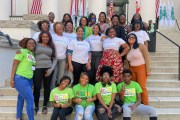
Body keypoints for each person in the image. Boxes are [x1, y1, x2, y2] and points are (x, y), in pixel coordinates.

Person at [10, 38, 36, 120]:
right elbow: (14, 65)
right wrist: (12, 79)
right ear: (26, 44)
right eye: (30, 43)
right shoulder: (22, 51)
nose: (32, 45)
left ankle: (18, 117)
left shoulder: (32, 54)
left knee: (21, 98)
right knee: (30, 99)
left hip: (29, 79)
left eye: (33, 43)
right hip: (21, 78)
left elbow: (32, 67)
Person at [33, 31, 56, 114]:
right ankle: (36, 106)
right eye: (43, 37)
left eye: (47, 37)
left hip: (48, 68)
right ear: (40, 37)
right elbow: (29, 51)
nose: (45, 38)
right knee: (37, 87)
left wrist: (51, 70)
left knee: (47, 87)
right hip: (37, 68)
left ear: (49, 37)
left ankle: (44, 106)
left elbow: (55, 59)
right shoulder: (36, 45)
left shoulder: (52, 46)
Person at [126, 33, 151, 105]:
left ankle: (145, 103)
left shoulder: (141, 46)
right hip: (131, 69)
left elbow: (147, 58)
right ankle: (135, 102)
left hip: (141, 68)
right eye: (129, 37)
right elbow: (127, 62)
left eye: (133, 37)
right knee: (133, 86)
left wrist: (148, 70)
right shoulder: (127, 49)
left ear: (136, 39)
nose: (131, 39)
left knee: (142, 86)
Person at [51, 22, 69, 88]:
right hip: (54, 59)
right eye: (58, 26)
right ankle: (52, 91)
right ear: (55, 28)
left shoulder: (66, 39)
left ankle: (59, 91)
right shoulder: (52, 36)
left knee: (61, 76)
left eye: (61, 26)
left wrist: (67, 62)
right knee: (53, 76)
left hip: (63, 59)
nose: (60, 28)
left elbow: (67, 51)